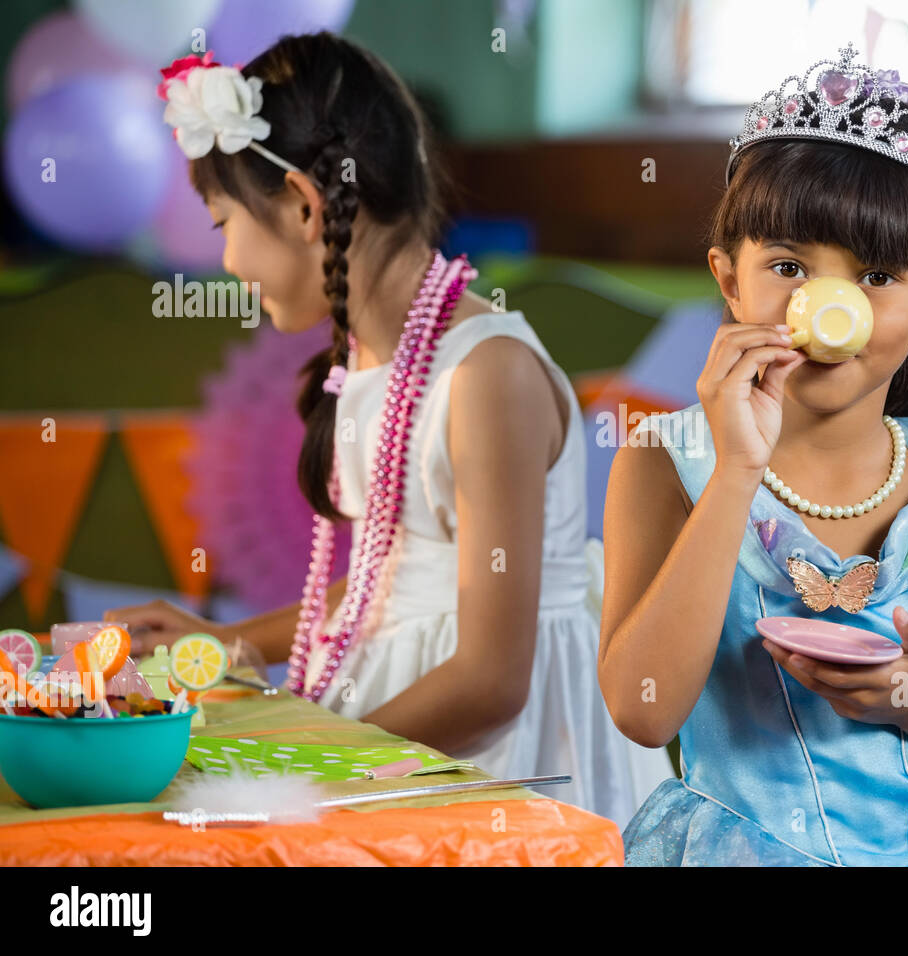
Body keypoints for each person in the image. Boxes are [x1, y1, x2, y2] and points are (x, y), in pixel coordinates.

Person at [109, 32, 671, 829]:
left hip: (496, 758)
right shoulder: (380, 354)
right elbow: (397, 574)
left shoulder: (486, 375)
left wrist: (300, 757)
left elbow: (492, 683)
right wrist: (237, 641)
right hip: (397, 719)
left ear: (305, 206)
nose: (229, 262)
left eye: (223, 224)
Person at [600, 45, 908, 864]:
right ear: (729, 281)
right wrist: (737, 472)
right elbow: (644, 713)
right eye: (788, 266)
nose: (826, 309)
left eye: (877, 276)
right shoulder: (662, 463)